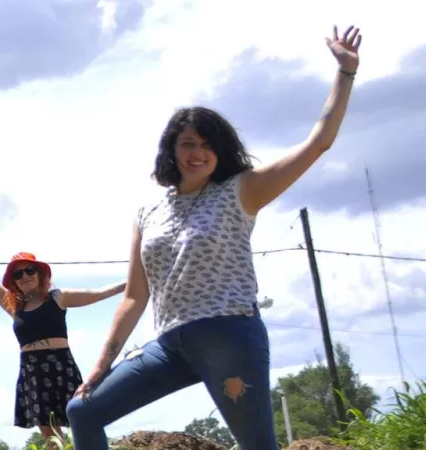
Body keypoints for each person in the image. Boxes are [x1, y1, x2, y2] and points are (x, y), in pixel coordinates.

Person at [64, 25, 363, 450]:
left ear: (220, 151)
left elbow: (319, 143)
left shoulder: (241, 189)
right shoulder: (148, 212)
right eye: (187, 143)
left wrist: (345, 73)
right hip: (170, 344)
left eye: (207, 144)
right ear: (172, 150)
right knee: (84, 409)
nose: (197, 153)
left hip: (229, 338)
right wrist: (100, 364)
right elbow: (135, 296)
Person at [0, 231, 126, 446]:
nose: (25, 276)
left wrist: (132, 281)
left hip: (60, 364)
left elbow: (98, 293)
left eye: (29, 270)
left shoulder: (58, 298)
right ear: (14, 282)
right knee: (48, 430)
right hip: (32, 370)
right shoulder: (15, 307)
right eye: (18, 275)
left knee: (80, 415)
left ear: (39, 273)